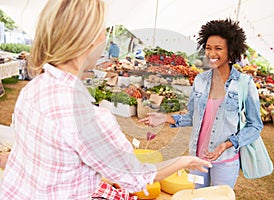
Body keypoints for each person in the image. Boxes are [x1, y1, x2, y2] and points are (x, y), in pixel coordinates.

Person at [0, 1, 211, 199]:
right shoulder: (89, 117)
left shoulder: (33, 88)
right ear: (89, 41)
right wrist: (182, 161)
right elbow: (135, 176)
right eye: (102, 29)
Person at [139, 19, 263, 189]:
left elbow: (255, 126)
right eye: (208, 48)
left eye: (218, 48)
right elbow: (193, 116)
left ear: (231, 50)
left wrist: (228, 144)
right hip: (196, 158)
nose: (211, 53)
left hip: (225, 160)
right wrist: (164, 118)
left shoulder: (244, 83)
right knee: (197, 196)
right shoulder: (200, 80)